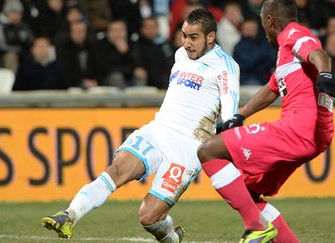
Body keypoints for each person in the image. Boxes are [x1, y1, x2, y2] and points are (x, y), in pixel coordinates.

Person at [41, 8, 240, 242]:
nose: (186, 43)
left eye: (193, 37)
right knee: (115, 170)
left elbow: (229, 113)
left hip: (187, 148)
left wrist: (228, 144)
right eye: (184, 35)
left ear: (210, 37)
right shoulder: (180, 55)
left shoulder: (226, 66)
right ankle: (70, 215)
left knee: (148, 217)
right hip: (157, 131)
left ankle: (171, 237)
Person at [196, 0, 335, 242]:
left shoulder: (293, 34)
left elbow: (318, 54)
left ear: (269, 20)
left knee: (208, 151)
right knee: (248, 191)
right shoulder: (286, 55)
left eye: (265, 25)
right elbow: (272, 89)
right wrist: (240, 116)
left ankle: (257, 227)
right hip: (314, 134)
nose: (265, 31)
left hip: (299, 128)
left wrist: (325, 73)